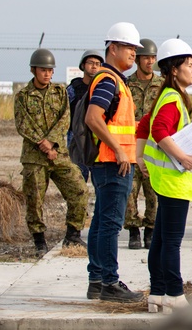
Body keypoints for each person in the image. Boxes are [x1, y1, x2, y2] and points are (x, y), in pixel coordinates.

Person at [135, 39, 192, 314]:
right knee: (171, 242)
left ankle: (158, 293)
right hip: (174, 181)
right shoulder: (173, 99)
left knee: (161, 241)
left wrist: (140, 157)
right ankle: (174, 293)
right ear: (174, 69)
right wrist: (184, 157)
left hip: (165, 180)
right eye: (188, 64)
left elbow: (143, 125)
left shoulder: (167, 95)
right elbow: (159, 131)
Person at [85, 22, 144, 303]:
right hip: (112, 163)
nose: (134, 53)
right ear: (113, 48)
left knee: (100, 223)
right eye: (129, 47)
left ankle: (96, 280)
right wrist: (119, 150)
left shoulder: (114, 80)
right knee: (110, 225)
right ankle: (109, 282)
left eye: (135, 48)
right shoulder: (108, 80)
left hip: (108, 162)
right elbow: (93, 118)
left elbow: (113, 121)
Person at [13, 49, 88, 253]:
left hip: (59, 155)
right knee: (34, 199)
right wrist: (42, 143)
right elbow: (23, 123)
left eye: (50, 70)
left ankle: (73, 235)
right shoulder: (23, 96)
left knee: (80, 189)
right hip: (34, 157)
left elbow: (65, 119)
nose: (47, 74)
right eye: (42, 70)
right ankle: (39, 240)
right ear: (33, 70)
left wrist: (52, 143)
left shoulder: (59, 92)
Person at [125, 38, 163, 250]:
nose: (150, 61)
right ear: (138, 59)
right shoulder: (127, 84)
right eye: (146, 57)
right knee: (130, 191)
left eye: (153, 57)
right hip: (130, 145)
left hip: (153, 146)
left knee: (153, 191)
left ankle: (150, 230)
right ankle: (133, 231)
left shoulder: (161, 84)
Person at [67, 49, 103, 182]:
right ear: (83, 65)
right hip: (76, 137)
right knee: (77, 179)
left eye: (98, 63)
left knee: (99, 179)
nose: (94, 66)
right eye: (90, 63)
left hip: (96, 137)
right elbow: (64, 114)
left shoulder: (103, 88)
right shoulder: (73, 89)